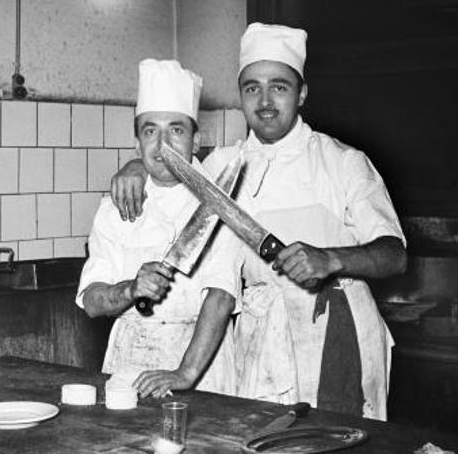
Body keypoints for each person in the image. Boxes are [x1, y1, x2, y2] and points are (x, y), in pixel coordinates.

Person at [110, 23, 406, 420]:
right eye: (252, 88)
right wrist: (134, 167)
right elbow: (167, 167)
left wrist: (332, 259)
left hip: (334, 334)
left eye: (279, 86)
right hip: (259, 334)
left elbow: (394, 254)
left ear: (301, 93)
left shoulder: (342, 162)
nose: (265, 101)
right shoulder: (220, 166)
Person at [76, 59, 240, 399]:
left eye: (176, 130)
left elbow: (221, 297)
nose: (162, 144)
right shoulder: (114, 207)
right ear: (137, 145)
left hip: (200, 365)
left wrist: (184, 373)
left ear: (196, 142)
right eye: (150, 131)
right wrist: (130, 290)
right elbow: (92, 301)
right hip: (129, 360)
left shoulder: (219, 204)